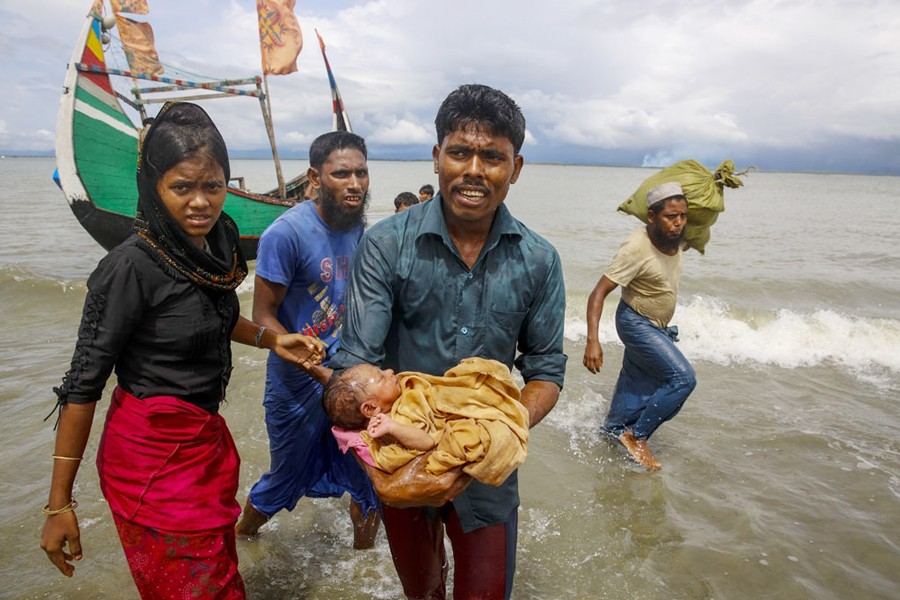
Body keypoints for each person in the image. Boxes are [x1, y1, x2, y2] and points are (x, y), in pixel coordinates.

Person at [39, 101, 326, 599]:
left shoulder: (217, 242)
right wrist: (58, 504)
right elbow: (83, 385)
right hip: (149, 459)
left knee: (215, 570)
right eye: (182, 188)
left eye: (213, 187)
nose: (201, 203)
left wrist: (274, 339)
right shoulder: (129, 268)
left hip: (201, 445)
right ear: (153, 187)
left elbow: (210, 316)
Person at [330, 83, 567, 600]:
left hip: (485, 467)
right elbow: (358, 359)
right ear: (437, 158)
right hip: (401, 455)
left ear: (516, 167)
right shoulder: (387, 244)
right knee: (422, 591)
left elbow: (546, 370)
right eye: (460, 153)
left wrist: (500, 430)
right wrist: (384, 459)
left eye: (493, 157)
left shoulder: (539, 261)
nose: (474, 170)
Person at [235, 131, 380, 547]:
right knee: (285, 478)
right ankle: (243, 540)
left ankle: (362, 569)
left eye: (361, 173)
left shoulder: (358, 228)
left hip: (345, 376)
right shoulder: (285, 234)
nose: (354, 184)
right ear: (315, 178)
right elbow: (261, 315)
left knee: (369, 477)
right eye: (341, 174)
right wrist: (315, 368)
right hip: (297, 381)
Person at [582, 181, 697, 471]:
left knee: (627, 399)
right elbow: (598, 292)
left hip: (656, 326)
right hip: (636, 323)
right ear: (651, 217)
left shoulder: (676, 239)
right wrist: (592, 341)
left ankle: (613, 437)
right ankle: (637, 436)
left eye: (682, 216)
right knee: (683, 379)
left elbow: (703, 221)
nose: (678, 223)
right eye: (671, 217)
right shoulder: (636, 248)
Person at [323, 358, 529, 486]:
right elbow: (425, 442)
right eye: (382, 378)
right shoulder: (396, 419)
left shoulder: (400, 396)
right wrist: (393, 427)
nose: (390, 372)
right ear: (370, 409)